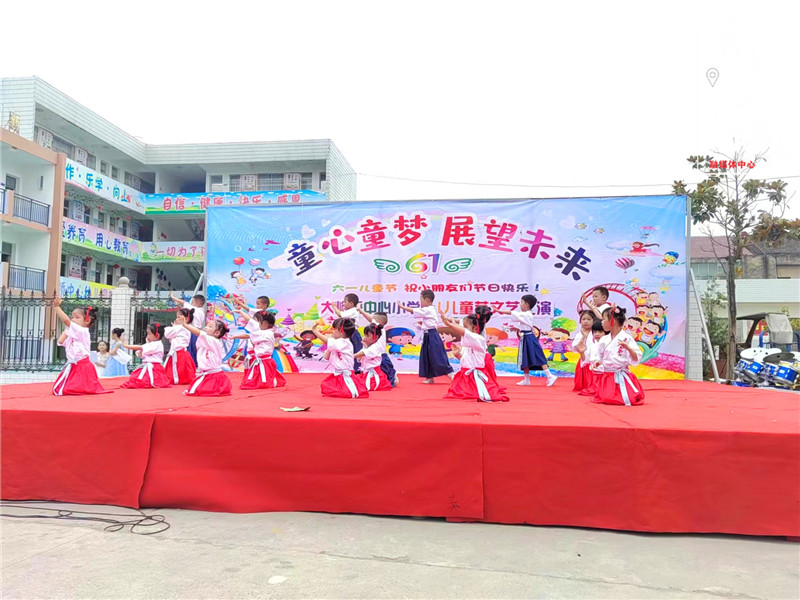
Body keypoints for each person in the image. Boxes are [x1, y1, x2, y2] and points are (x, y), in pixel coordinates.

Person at [439, 311, 508, 403]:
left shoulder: (478, 339)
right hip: (464, 378)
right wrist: (458, 355)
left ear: (475, 328)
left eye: (465, 326)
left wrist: (450, 324)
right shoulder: (467, 343)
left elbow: (464, 332)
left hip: (476, 378)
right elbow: (466, 360)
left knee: (482, 395)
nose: (462, 328)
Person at [496, 295, 557, 386]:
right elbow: (525, 327)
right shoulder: (525, 315)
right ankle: (526, 379)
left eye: (522, 302)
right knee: (525, 357)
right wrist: (516, 329)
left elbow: (512, 313)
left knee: (537, 356)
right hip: (525, 337)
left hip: (529, 338)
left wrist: (499, 311)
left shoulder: (526, 314)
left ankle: (550, 376)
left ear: (527, 305)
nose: (520, 305)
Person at [52, 298, 109, 395]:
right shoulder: (74, 332)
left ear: (87, 320)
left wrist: (57, 307)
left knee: (75, 389)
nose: (73, 319)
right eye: (72, 317)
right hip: (74, 364)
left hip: (82, 364)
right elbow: (60, 341)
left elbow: (66, 321)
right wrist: (68, 329)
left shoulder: (83, 331)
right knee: (63, 389)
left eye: (77, 317)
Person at [591, 305, 645, 406]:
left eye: (604, 319)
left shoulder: (627, 338)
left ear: (613, 321)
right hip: (607, 375)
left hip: (621, 374)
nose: (602, 322)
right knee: (606, 398)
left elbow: (636, 357)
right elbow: (599, 355)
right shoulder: (604, 339)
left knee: (628, 398)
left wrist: (628, 348)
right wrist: (598, 361)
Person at [399, 290, 454, 383]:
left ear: (427, 300)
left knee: (437, 355)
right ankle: (429, 376)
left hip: (432, 335)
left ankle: (450, 373)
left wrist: (402, 307)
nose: (420, 302)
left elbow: (414, 311)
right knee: (427, 356)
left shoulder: (429, 309)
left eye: (421, 299)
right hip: (427, 335)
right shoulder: (428, 310)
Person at [312, 318, 368, 398]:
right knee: (326, 386)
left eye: (334, 329)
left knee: (346, 392)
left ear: (341, 331)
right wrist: (330, 347)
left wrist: (314, 330)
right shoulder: (337, 343)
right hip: (338, 374)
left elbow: (327, 341)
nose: (333, 331)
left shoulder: (344, 342)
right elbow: (326, 357)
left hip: (345, 375)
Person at [231, 309, 286, 389]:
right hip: (264, 359)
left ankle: (266, 383)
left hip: (263, 360)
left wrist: (235, 336)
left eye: (258, 322)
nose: (257, 323)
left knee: (261, 378)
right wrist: (241, 312)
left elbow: (248, 335)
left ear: (264, 323)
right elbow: (250, 320)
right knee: (263, 375)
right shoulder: (269, 331)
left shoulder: (263, 333)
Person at [181, 318, 233, 396]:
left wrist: (185, 325)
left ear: (217, 333)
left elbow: (198, 333)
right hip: (208, 374)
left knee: (203, 391)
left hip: (214, 375)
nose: (206, 327)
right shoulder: (207, 341)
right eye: (207, 325)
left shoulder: (213, 341)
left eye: (210, 326)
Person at [121, 323, 172, 389]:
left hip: (154, 368)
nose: (147, 336)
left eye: (149, 334)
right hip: (149, 367)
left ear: (157, 335)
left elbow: (140, 347)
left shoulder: (157, 344)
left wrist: (126, 346)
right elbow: (140, 355)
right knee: (136, 379)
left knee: (143, 382)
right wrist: (147, 343)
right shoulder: (151, 345)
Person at [357, 308, 398, 386]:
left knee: (385, 372)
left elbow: (370, 319)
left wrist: (361, 310)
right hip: (376, 355)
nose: (371, 321)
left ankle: (392, 380)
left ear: (379, 322)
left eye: (373, 319)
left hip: (381, 356)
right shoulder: (377, 331)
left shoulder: (380, 330)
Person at [170, 292, 206, 366]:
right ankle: (195, 365)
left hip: (192, 331)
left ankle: (190, 365)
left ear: (197, 303)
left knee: (190, 351)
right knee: (196, 350)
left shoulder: (194, 309)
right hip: (198, 332)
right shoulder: (202, 312)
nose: (191, 303)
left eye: (192, 302)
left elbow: (183, 302)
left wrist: (173, 297)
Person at [354, 323, 392, 391]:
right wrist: (365, 347)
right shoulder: (367, 346)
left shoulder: (376, 347)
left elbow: (363, 353)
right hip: (365, 373)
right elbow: (359, 359)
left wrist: (350, 356)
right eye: (365, 335)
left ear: (376, 337)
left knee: (360, 386)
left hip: (373, 374)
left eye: (367, 336)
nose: (365, 338)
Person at [163, 308, 196, 384]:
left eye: (179, 317)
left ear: (186, 319)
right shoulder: (187, 327)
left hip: (178, 353)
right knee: (183, 369)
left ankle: (177, 379)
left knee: (177, 368)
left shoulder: (180, 327)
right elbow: (171, 338)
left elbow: (167, 334)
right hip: (182, 352)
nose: (176, 319)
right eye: (177, 317)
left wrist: (174, 327)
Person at [333, 293, 363, 373]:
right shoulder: (350, 311)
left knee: (355, 350)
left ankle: (357, 369)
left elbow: (340, 315)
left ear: (351, 303)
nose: (344, 304)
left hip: (353, 333)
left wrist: (334, 307)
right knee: (350, 351)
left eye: (345, 302)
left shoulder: (353, 310)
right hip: (350, 333)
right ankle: (352, 368)